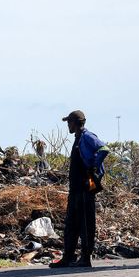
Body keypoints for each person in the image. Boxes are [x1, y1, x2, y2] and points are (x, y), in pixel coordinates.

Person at [50, 110, 110, 268]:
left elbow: (104, 149)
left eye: (69, 123)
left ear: (75, 123)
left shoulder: (87, 137)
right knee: (71, 224)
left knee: (85, 224)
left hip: (85, 188)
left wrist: (93, 167)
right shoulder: (78, 139)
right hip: (75, 190)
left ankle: (85, 258)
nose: (68, 126)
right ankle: (68, 257)